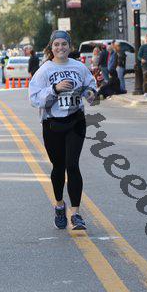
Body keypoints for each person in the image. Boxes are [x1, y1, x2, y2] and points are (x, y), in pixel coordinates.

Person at [29, 30, 97, 231]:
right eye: (56, 44)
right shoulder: (45, 70)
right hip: (52, 124)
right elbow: (34, 98)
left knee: (72, 165)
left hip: (76, 121)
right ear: (51, 47)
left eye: (64, 44)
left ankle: (75, 214)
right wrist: (55, 89)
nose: (60, 47)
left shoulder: (79, 67)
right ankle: (59, 205)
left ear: (70, 46)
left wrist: (91, 93)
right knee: (58, 167)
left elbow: (91, 87)